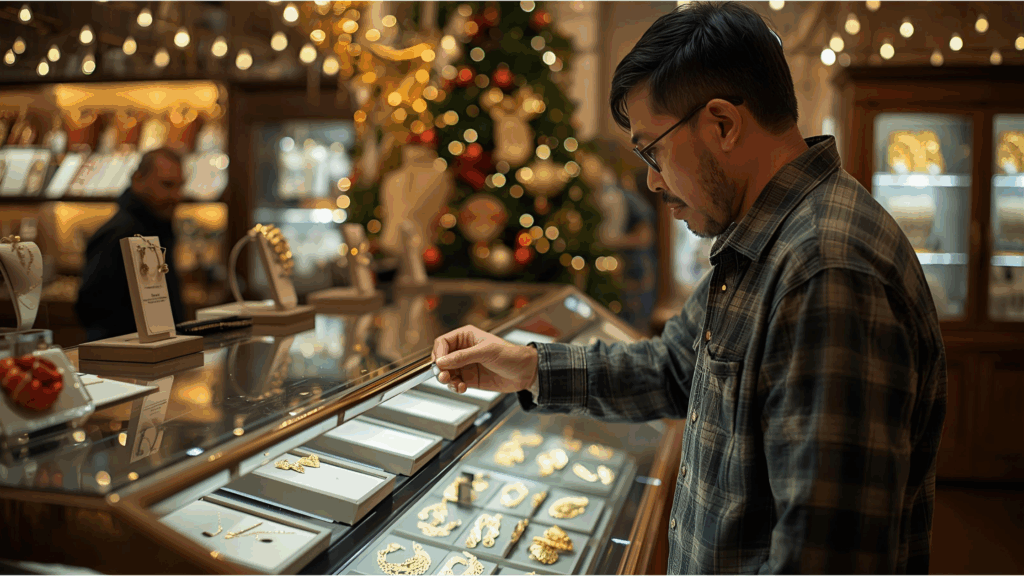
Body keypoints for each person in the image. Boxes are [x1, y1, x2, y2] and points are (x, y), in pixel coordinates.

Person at [431, 2, 946, 574]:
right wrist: (527, 366)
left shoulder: (825, 273)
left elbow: (827, 557)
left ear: (722, 124)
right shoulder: (764, 240)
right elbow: (675, 368)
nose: (652, 179)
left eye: (652, 149)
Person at [76, 148, 186, 341]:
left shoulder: (157, 229)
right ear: (138, 180)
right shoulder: (118, 234)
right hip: (126, 360)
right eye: (167, 185)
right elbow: (91, 308)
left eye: (180, 186)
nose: (176, 196)